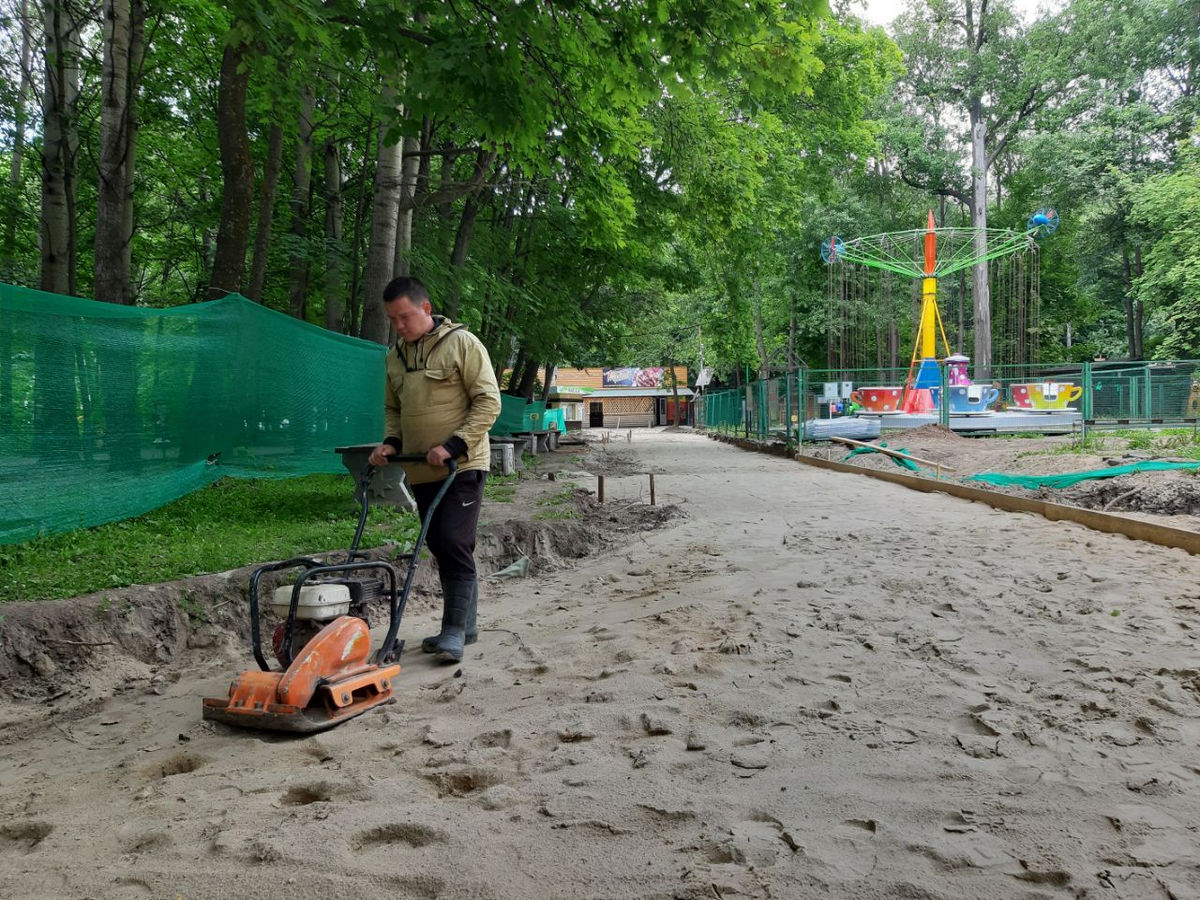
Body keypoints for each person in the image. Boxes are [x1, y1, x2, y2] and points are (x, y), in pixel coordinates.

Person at [368, 276, 501, 663]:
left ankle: (454, 631)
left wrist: (454, 445)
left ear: (426, 309)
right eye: (393, 319)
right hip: (421, 470)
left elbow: (488, 403)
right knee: (440, 544)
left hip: (463, 463)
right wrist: (392, 443)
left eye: (405, 316)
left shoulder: (462, 343)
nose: (399, 326)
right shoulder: (395, 357)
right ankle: (466, 625)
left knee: (453, 541)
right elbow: (394, 409)